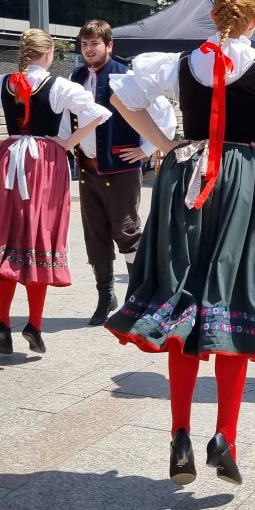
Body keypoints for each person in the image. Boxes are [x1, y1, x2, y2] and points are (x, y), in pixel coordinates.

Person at [104, 0, 255, 486]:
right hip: (245, 181)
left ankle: (180, 435)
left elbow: (122, 97)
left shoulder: (182, 64)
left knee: (181, 295)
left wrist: (165, 142)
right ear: (254, 21)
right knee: (233, 296)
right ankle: (225, 437)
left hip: (184, 175)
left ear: (214, 18)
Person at [0, 28, 108, 354]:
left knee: (5, 237)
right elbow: (96, 114)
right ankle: (34, 324)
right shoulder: (59, 86)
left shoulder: (3, 83)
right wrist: (66, 143)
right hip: (44, 164)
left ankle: (2, 321)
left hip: (8, 161)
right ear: (49, 54)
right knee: (39, 238)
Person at [71, 19, 177, 326]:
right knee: (95, 233)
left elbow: (164, 115)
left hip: (121, 167)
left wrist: (145, 149)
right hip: (88, 167)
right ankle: (106, 296)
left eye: (94, 44)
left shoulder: (125, 75)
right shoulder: (76, 76)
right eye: (84, 45)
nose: (88, 50)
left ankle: (137, 298)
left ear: (109, 45)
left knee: (127, 231)